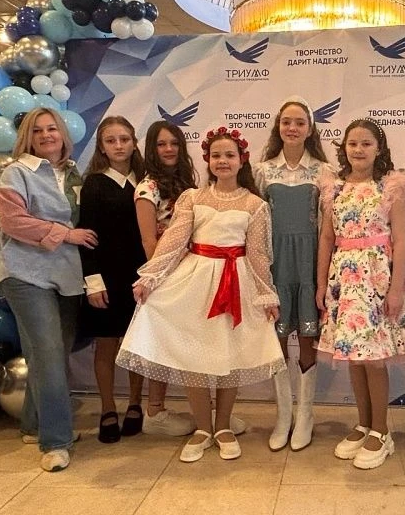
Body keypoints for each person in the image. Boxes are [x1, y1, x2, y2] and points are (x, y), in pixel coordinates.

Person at [117, 127, 285, 463]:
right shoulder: (193, 198)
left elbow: (257, 255)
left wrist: (267, 294)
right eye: (216, 155)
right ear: (207, 160)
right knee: (194, 356)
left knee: (229, 355)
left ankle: (223, 426)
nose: (223, 161)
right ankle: (203, 428)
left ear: (241, 160)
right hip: (195, 282)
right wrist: (150, 277)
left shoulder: (254, 205)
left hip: (235, 284)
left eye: (230, 155)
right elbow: (173, 241)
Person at [0, 107, 98, 472]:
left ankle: (33, 423)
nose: (46, 135)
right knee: (50, 352)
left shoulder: (73, 173)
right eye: (37, 131)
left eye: (51, 128)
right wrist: (65, 234)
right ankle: (56, 441)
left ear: (62, 134)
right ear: (28, 137)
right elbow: (12, 221)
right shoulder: (16, 172)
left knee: (50, 353)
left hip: (66, 275)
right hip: (25, 273)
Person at [316, 119, 405, 470]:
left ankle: (381, 430)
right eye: (352, 143)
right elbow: (327, 239)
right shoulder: (334, 189)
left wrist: (396, 288)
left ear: (379, 148)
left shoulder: (390, 188)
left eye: (366, 143)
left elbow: (401, 240)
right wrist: (321, 285)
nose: (358, 150)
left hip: (376, 280)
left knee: (374, 359)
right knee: (354, 356)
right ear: (343, 148)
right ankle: (363, 423)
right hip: (344, 281)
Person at [254, 96, 334, 452]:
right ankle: (283, 415)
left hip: (308, 263)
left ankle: (305, 416)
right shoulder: (262, 171)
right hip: (275, 265)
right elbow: (255, 224)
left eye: (300, 122)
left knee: (306, 338)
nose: (292, 128)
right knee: (277, 339)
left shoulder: (324, 171)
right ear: (278, 126)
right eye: (287, 121)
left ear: (310, 128)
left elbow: (329, 227)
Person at [78, 117, 146, 443]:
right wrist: (93, 281)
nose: (118, 145)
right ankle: (107, 408)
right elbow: (87, 237)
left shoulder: (145, 182)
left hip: (140, 276)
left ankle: (135, 404)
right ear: (102, 147)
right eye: (111, 140)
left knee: (136, 345)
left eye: (124, 139)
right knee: (106, 345)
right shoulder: (93, 184)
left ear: (134, 142)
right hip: (106, 278)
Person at [132, 121, 199, 436]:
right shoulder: (147, 188)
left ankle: (204, 411)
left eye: (174, 143)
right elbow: (149, 240)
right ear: (151, 149)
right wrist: (159, 278)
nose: (169, 149)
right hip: (166, 277)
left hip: (193, 272)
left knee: (190, 343)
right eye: (161, 144)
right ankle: (155, 411)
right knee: (162, 343)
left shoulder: (188, 182)